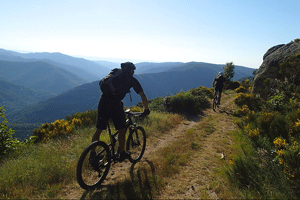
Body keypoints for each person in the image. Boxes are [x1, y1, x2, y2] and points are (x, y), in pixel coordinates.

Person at [90, 62, 150, 164]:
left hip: (103, 102)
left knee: (99, 130)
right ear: (130, 71)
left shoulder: (115, 72)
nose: (133, 73)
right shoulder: (132, 80)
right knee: (122, 129)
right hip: (115, 105)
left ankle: (92, 155)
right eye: (133, 71)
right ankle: (122, 153)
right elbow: (142, 95)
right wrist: (146, 109)